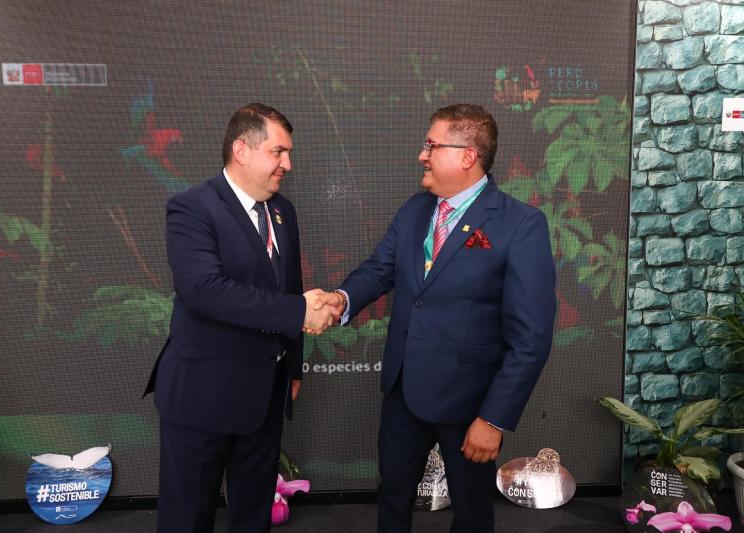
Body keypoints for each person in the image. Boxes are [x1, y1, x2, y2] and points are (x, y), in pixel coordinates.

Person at [316, 104, 556, 532]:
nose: (421, 155)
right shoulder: (415, 210)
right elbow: (379, 270)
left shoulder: (521, 225)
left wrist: (493, 419)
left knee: (472, 512)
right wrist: (340, 299)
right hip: (403, 391)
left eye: (431, 146)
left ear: (468, 156)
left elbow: (531, 338)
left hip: (470, 404)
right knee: (392, 496)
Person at [144, 103, 338, 533]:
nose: (287, 164)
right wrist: (300, 311)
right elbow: (204, 290)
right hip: (202, 398)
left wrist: (292, 365)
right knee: (187, 519)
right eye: (278, 152)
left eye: (288, 153)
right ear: (241, 150)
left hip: (265, 396)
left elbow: (290, 286)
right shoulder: (192, 208)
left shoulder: (283, 212)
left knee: (253, 516)